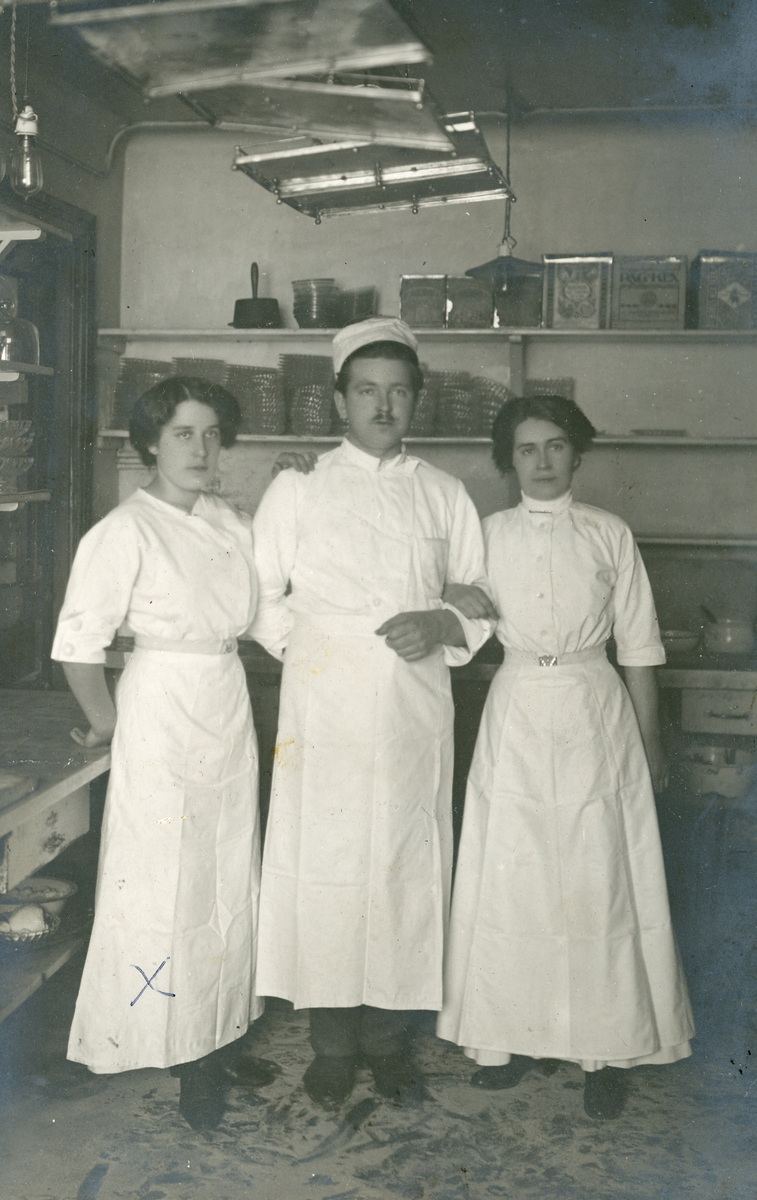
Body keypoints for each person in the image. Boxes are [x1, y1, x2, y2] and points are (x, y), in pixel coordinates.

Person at [250, 317, 496, 1108]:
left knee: (402, 869)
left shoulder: (444, 493)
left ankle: (388, 1045)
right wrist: (314, 651)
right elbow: (260, 592)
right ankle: (330, 1047)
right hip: (322, 708)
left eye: (397, 392)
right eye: (366, 391)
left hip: (411, 710)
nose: (383, 406)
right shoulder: (298, 486)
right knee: (325, 870)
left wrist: (441, 623)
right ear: (339, 401)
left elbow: (479, 596)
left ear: (417, 400)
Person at [437, 394, 694, 1121]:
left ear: (576, 453)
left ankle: (604, 1051)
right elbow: (459, 628)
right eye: (526, 448)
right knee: (513, 876)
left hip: (593, 708)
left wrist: (650, 744)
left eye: (555, 445)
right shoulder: (485, 536)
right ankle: (506, 1039)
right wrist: (444, 590)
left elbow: (639, 648)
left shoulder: (608, 533)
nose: (542, 461)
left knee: (595, 879)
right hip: (517, 705)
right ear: (508, 460)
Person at [52, 377, 270, 1131]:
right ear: (149, 442)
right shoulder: (123, 531)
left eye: (211, 434)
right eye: (183, 433)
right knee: (164, 886)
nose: (201, 449)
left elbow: (272, 604)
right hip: (162, 707)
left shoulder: (230, 522)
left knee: (225, 875)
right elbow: (77, 648)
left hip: (226, 700)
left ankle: (219, 1032)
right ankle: (181, 1056)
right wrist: (110, 726)